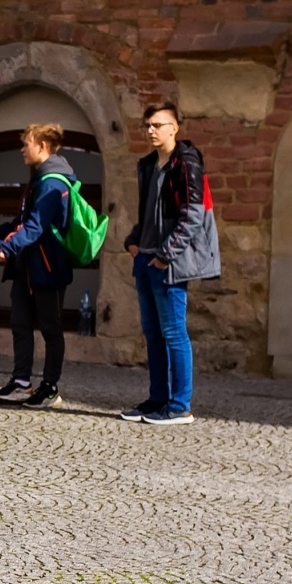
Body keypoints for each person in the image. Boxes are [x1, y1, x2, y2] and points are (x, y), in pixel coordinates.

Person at [121, 102, 220, 425]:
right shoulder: (149, 164)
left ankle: (180, 406)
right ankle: (157, 399)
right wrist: (134, 240)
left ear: (174, 128)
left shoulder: (186, 163)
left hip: (168, 261)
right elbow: (149, 212)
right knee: (152, 333)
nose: (151, 130)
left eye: (158, 124)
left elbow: (191, 215)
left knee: (174, 332)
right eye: (147, 124)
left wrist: (165, 255)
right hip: (146, 256)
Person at [0, 123, 76, 408]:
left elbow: (34, 227)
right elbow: (21, 223)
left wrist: (5, 248)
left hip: (48, 269)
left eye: (27, 144)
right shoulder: (39, 179)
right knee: (20, 323)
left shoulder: (54, 183)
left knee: (50, 328)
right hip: (27, 267)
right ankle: (21, 383)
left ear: (43, 146)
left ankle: (49, 388)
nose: (22, 149)